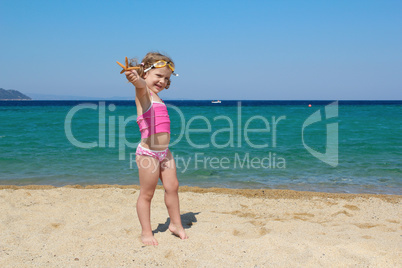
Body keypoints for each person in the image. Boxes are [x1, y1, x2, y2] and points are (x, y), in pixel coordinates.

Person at [124, 52, 188, 246]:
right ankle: (146, 232)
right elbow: (140, 86)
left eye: (166, 78)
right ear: (145, 73)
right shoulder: (144, 95)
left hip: (164, 152)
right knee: (147, 193)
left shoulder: (159, 99)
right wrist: (135, 79)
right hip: (148, 153)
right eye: (158, 76)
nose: (162, 81)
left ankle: (176, 224)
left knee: (173, 187)